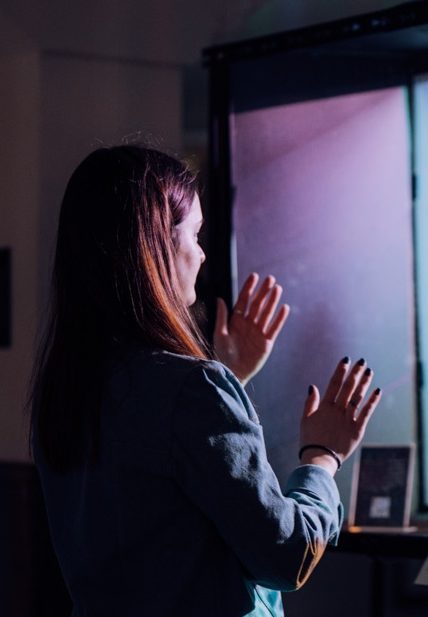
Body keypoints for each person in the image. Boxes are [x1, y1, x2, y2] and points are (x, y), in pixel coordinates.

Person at [28, 145, 381, 616]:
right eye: (193, 234)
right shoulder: (192, 390)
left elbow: (153, 512)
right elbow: (283, 554)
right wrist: (322, 457)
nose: (201, 253)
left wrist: (227, 376)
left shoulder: (66, 390)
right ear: (153, 247)